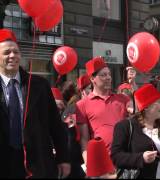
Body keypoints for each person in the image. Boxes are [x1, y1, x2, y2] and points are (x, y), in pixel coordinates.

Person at [0, 28, 70, 178]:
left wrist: (63, 158)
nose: (12, 56)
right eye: (6, 52)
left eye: (16, 52)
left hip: (36, 164)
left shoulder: (39, 85)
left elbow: (55, 125)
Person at [75, 57, 131, 175]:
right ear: (92, 79)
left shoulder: (123, 100)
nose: (108, 78)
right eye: (103, 75)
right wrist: (89, 164)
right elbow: (84, 139)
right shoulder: (82, 105)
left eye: (109, 74)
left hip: (125, 160)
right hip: (101, 163)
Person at [111, 84, 160, 179]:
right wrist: (141, 158)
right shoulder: (125, 126)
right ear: (147, 107)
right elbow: (116, 156)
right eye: (159, 102)